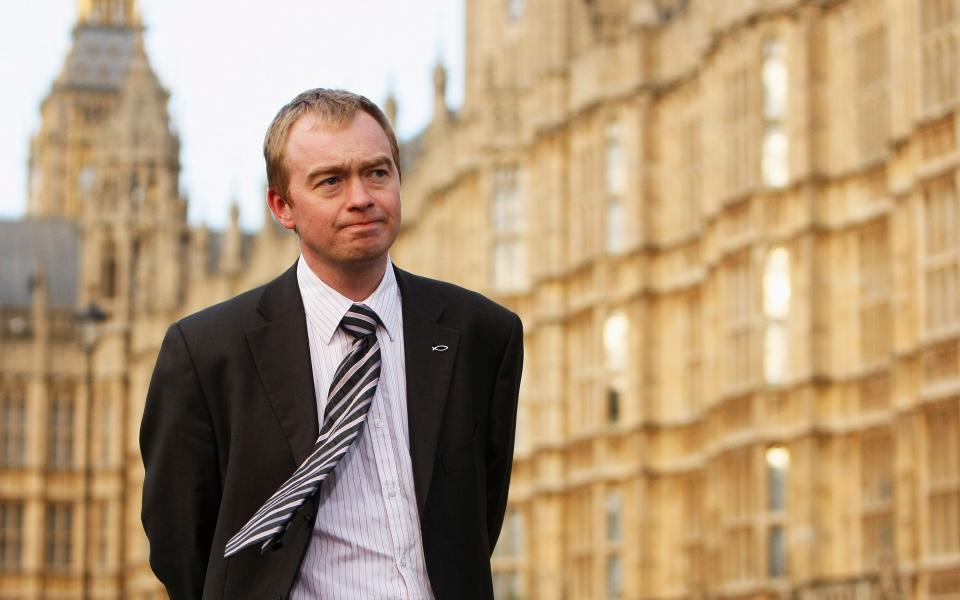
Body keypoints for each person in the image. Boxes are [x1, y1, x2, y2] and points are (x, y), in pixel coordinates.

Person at [140, 89, 523, 599]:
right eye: (331, 181)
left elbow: (477, 516)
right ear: (282, 206)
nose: (361, 196)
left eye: (377, 172)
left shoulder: (483, 333)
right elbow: (179, 540)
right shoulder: (207, 353)